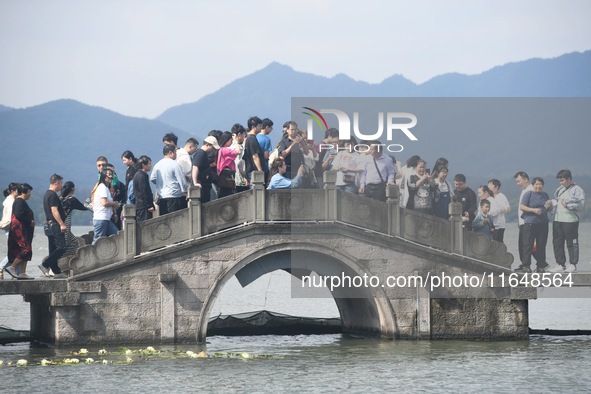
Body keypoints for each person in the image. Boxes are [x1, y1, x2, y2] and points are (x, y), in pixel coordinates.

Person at [549, 169, 586, 273]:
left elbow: (581, 205)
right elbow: (556, 201)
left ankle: (573, 264)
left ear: (569, 179)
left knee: (572, 242)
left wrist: (568, 205)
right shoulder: (559, 189)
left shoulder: (577, 189)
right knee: (557, 242)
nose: (561, 183)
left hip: (570, 220)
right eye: (559, 181)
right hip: (557, 219)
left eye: (562, 180)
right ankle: (560, 264)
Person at [515, 177, 551, 274]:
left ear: (543, 185)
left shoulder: (545, 195)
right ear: (533, 185)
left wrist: (550, 205)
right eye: (536, 184)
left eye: (540, 184)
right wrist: (533, 210)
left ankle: (540, 266)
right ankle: (526, 266)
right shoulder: (529, 194)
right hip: (530, 223)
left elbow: (548, 209)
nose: (538, 186)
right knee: (528, 245)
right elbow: (522, 206)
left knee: (541, 245)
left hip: (543, 223)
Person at [38, 174, 68, 279]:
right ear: (57, 183)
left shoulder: (47, 194)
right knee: (62, 247)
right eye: (61, 183)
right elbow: (54, 211)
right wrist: (62, 224)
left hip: (48, 225)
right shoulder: (53, 195)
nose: (61, 186)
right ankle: (45, 265)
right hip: (55, 224)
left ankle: (56, 271)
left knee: (53, 248)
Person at [4, 183, 35, 280]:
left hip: (24, 230)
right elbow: (18, 215)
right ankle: (12, 267)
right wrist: (29, 222)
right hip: (20, 230)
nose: (30, 194)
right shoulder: (19, 201)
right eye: (29, 192)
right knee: (26, 249)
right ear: (24, 192)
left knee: (27, 250)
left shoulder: (21, 201)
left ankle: (22, 273)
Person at [151, 144, 187, 214]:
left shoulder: (157, 165)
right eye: (175, 152)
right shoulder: (175, 164)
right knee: (174, 218)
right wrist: (185, 192)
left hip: (161, 196)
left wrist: (160, 183)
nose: (176, 155)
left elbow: (152, 178)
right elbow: (181, 180)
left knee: (164, 219)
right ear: (171, 153)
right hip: (174, 195)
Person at [60, 181, 90, 262]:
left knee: (74, 244)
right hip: (66, 225)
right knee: (68, 246)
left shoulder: (59, 198)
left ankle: (68, 263)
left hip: (59, 225)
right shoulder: (72, 200)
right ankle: (53, 261)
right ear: (73, 189)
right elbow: (84, 207)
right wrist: (89, 201)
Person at [92, 167, 120, 244]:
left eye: (112, 175)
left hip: (106, 219)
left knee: (117, 235)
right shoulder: (102, 187)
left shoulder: (106, 188)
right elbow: (104, 203)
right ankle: (90, 255)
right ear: (104, 176)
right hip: (101, 218)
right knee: (98, 241)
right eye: (109, 175)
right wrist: (114, 204)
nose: (111, 177)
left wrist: (114, 211)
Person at [192, 136, 220, 203]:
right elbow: (195, 167)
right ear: (207, 145)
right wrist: (195, 182)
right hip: (202, 185)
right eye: (212, 148)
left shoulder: (204, 154)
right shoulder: (200, 153)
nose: (213, 150)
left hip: (206, 185)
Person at [514, 171, 534, 263]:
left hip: (528, 221)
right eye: (516, 182)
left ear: (526, 179)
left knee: (527, 244)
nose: (518, 184)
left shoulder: (531, 190)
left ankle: (528, 264)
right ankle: (524, 263)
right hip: (522, 222)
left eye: (519, 181)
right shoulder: (524, 190)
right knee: (522, 244)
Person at [1, 182, 19, 278]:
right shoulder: (11, 202)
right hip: (12, 228)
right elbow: (13, 216)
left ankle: (16, 273)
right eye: (17, 190)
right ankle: (2, 267)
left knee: (16, 251)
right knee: (15, 251)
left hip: (10, 227)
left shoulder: (9, 200)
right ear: (13, 191)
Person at [216, 131, 240, 198]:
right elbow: (238, 152)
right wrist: (236, 141)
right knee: (227, 192)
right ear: (227, 140)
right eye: (231, 140)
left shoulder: (221, 149)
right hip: (226, 174)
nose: (232, 142)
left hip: (223, 173)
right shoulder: (224, 150)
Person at [243, 116, 265, 185]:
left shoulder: (248, 138)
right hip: (254, 171)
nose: (260, 128)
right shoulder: (252, 139)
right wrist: (260, 171)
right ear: (253, 127)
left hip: (250, 171)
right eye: (259, 126)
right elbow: (255, 156)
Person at [487, 178, 511, 243]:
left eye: (490, 185)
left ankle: (502, 253)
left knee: (499, 242)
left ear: (496, 186)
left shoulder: (501, 196)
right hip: (492, 224)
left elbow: (508, 208)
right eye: (488, 185)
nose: (488, 186)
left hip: (500, 224)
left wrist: (497, 210)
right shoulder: (490, 197)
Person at [133, 155, 155, 222]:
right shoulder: (142, 175)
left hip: (140, 206)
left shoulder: (137, 174)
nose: (150, 165)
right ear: (143, 165)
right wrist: (149, 205)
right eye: (149, 164)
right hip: (143, 207)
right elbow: (144, 192)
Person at [230, 124, 249, 193]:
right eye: (244, 134)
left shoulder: (231, 146)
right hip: (239, 179)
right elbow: (240, 163)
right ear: (239, 134)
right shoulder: (236, 147)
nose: (245, 136)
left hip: (236, 178)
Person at [257, 118, 274, 183]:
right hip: (264, 167)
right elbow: (266, 155)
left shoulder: (255, 137)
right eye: (271, 128)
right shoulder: (266, 139)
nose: (271, 130)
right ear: (267, 127)